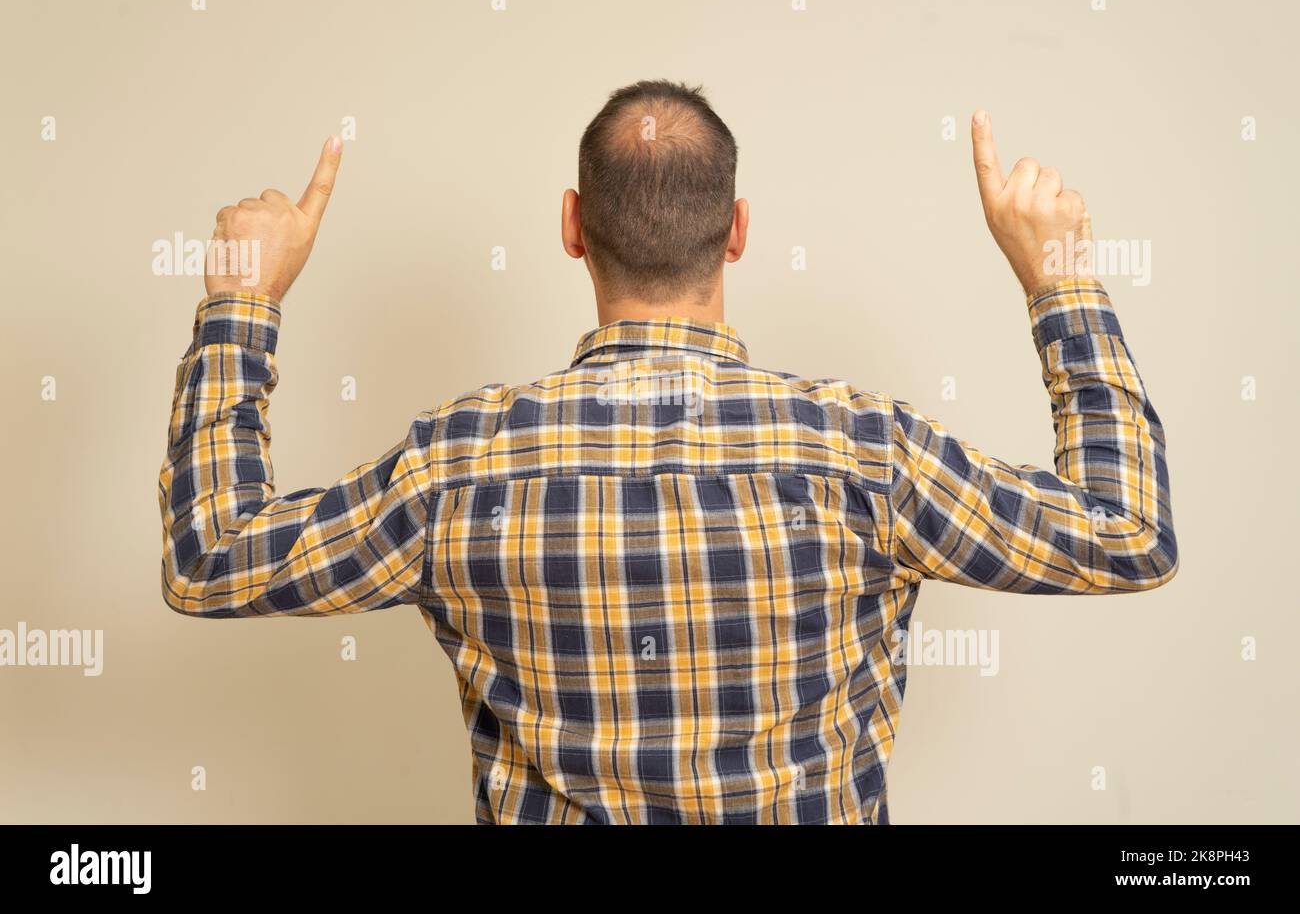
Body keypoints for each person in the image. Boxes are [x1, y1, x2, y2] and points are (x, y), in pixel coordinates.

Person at [159, 80, 1177, 824]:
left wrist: (242, 300)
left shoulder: (453, 468)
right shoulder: (869, 456)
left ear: (571, 225)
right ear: (735, 230)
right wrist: (1061, 281)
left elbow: (212, 555)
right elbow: (1127, 530)